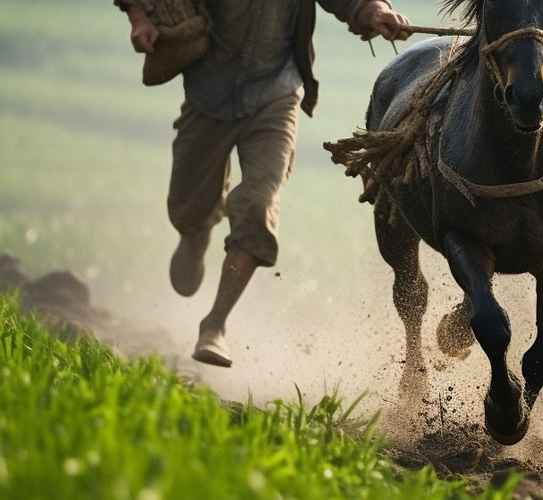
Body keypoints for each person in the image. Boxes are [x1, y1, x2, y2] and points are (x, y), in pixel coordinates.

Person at [115, 0, 410, 367]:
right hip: (208, 91)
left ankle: (215, 324)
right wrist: (140, 17)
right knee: (188, 205)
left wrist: (375, 11)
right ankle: (196, 229)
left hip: (277, 94)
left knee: (258, 206)